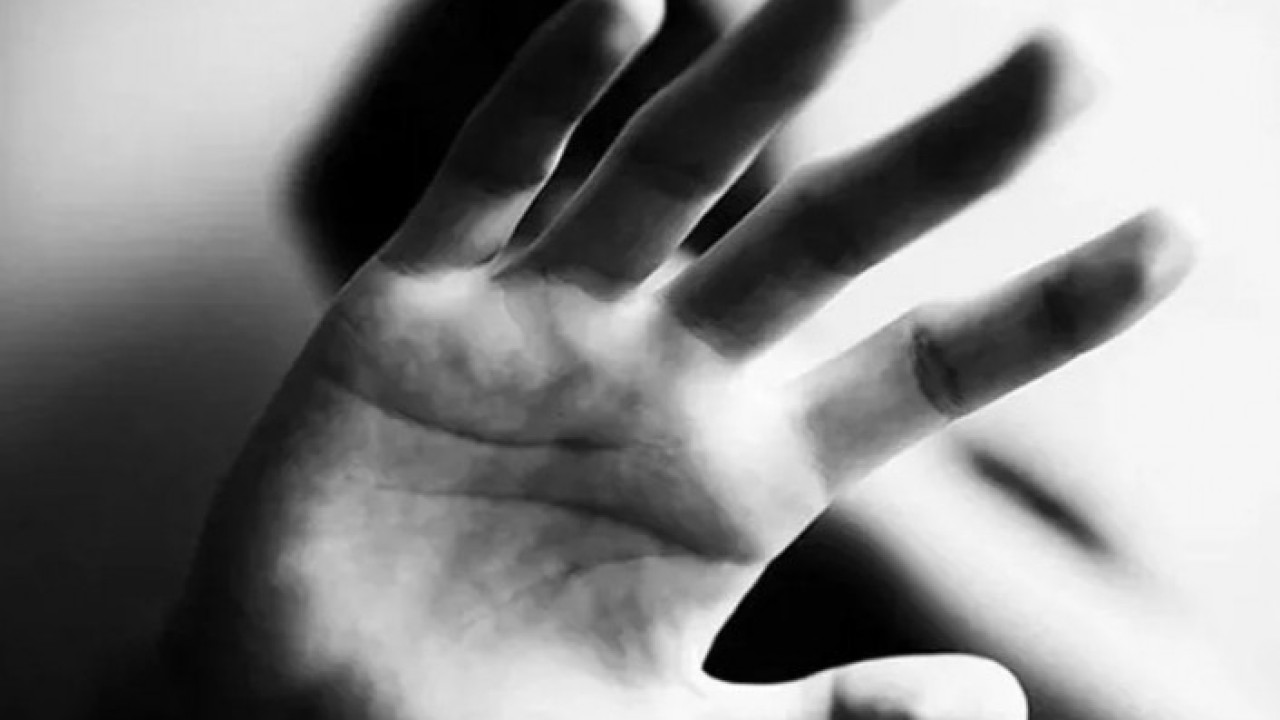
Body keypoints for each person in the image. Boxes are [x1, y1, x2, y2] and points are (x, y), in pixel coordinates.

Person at [96, 0, 1203, 717]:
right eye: (502, 276)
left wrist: (879, 488)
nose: (559, 345)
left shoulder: (976, 489)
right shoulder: (296, 621)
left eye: (595, 237)